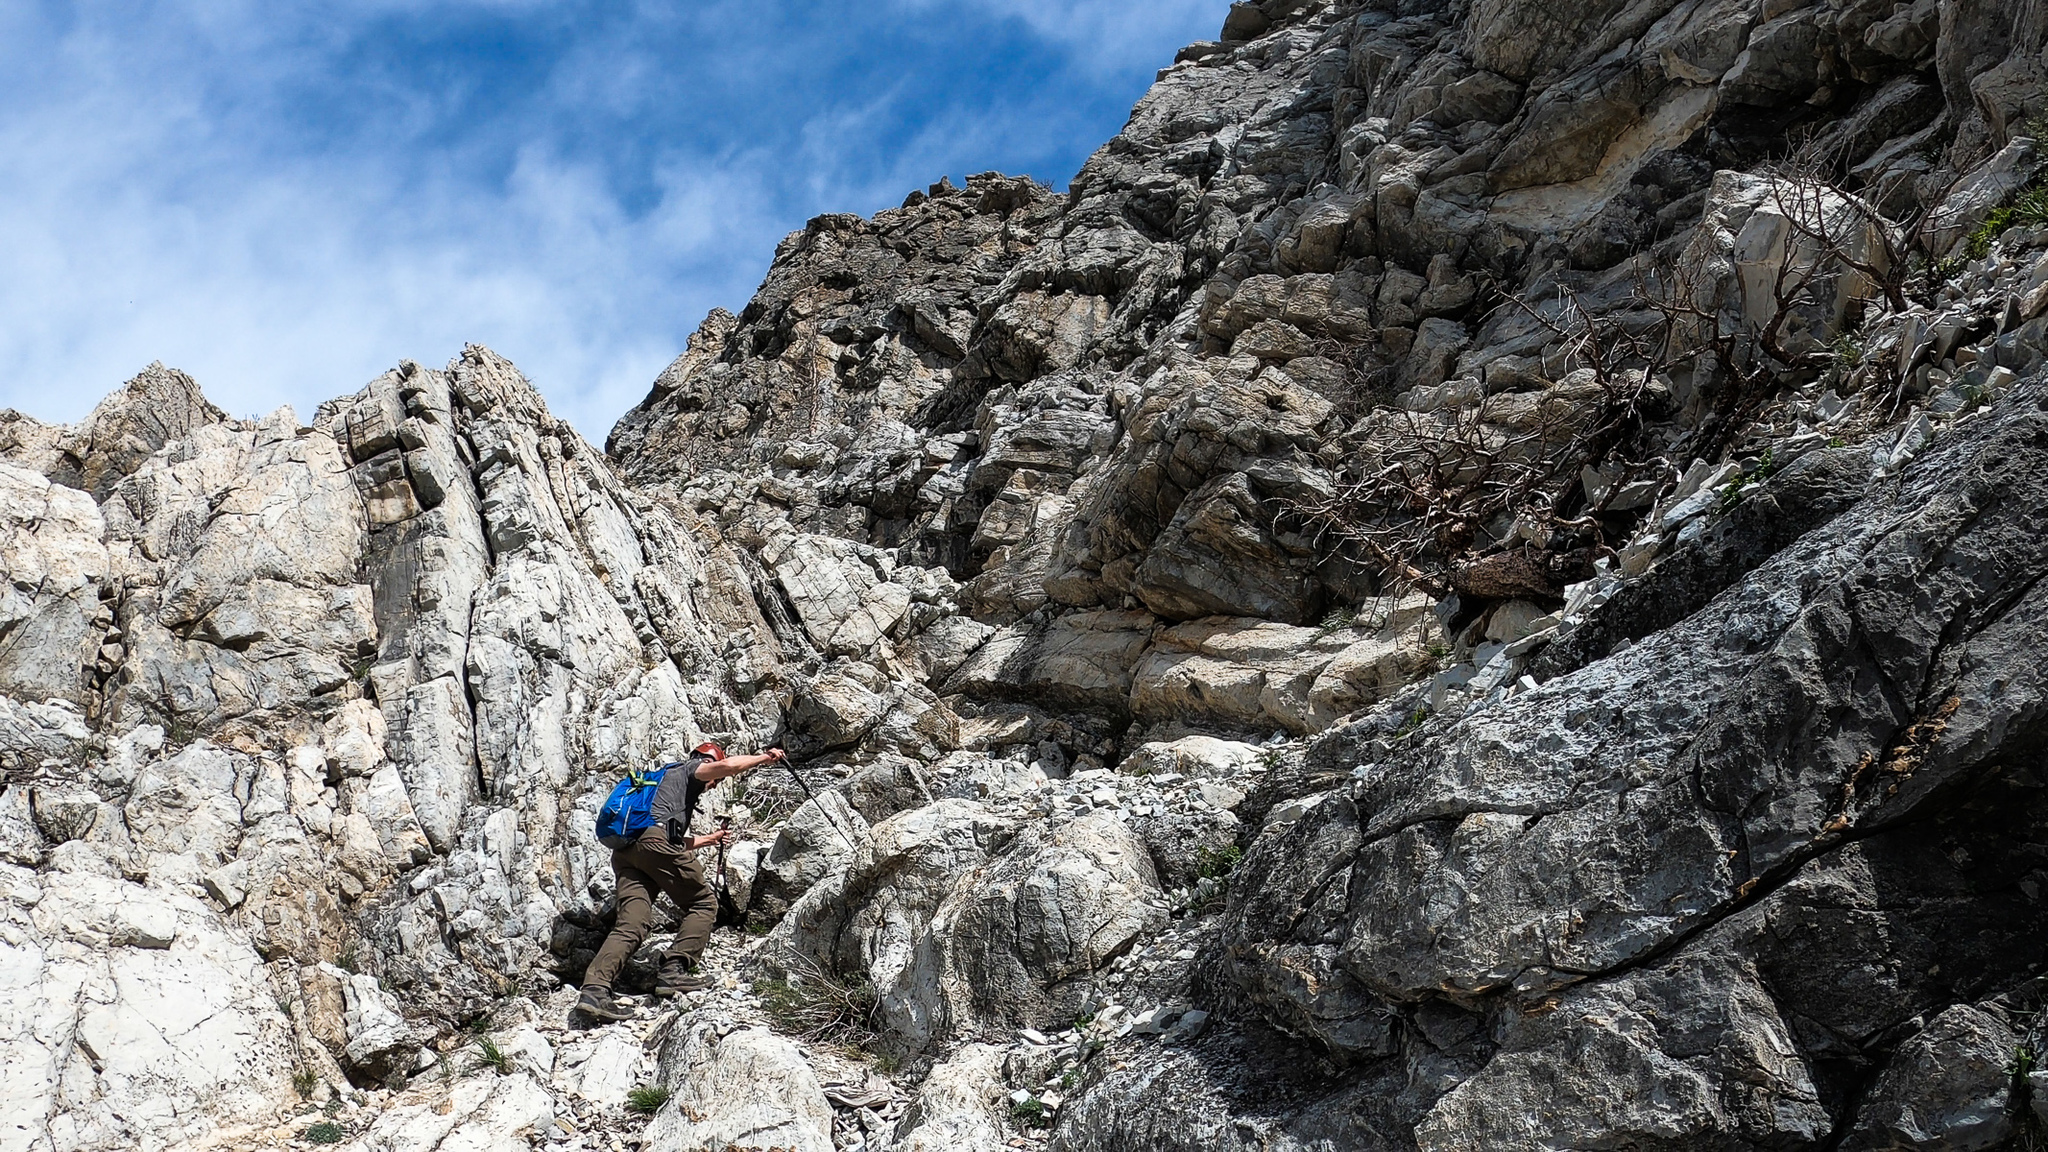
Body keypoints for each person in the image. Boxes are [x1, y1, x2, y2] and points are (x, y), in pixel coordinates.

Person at [575, 741, 785, 1021]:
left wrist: (710, 839)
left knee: (632, 923)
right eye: (715, 781)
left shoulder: (658, 782)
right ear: (707, 763)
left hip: (626, 853)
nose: (713, 784)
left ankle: (595, 990)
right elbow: (728, 767)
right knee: (703, 902)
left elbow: (662, 836)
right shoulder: (690, 769)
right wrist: (764, 758)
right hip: (653, 846)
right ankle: (674, 972)